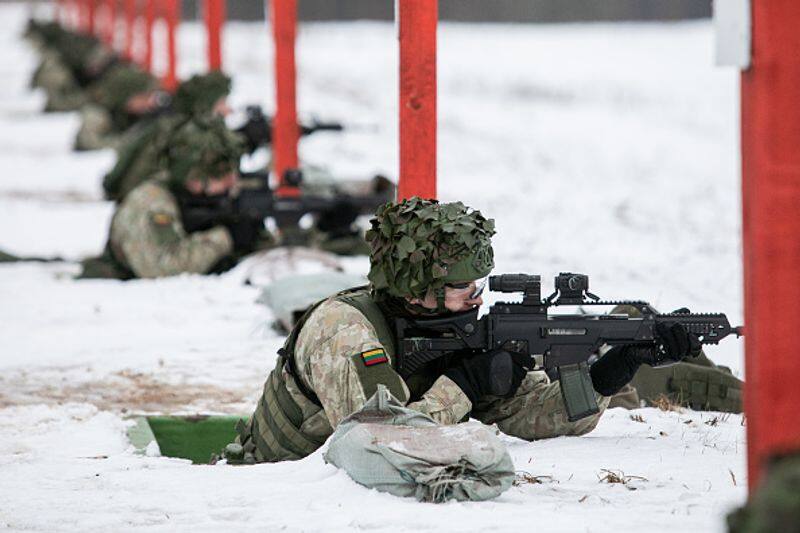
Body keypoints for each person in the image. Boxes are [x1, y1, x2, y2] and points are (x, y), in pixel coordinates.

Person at [227, 197, 702, 464]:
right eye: (461, 288)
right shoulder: (345, 330)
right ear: (418, 290)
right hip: (273, 491)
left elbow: (533, 415)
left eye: (478, 286)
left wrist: (612, 370)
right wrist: (464, 387)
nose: (476, 299)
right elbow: (379, 442)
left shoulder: (455, 331)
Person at [79, 116, 263, 279]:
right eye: (222, 174)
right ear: (195, 179)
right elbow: (160, 268)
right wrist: (226, 237)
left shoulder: (210, 197)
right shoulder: (150, 201)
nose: (232, 182)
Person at [102, 71, 233, 201]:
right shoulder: (182, 133)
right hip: (147, 201)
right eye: (222, 103)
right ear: (204, 106)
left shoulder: (173, 125)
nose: (228, 110)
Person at [73, 63, 163, 151]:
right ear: (127, 97)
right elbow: (88, 144)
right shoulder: (96, 114)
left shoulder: (143, 115)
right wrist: (128, 143)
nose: (150, 103)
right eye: (144, 97)